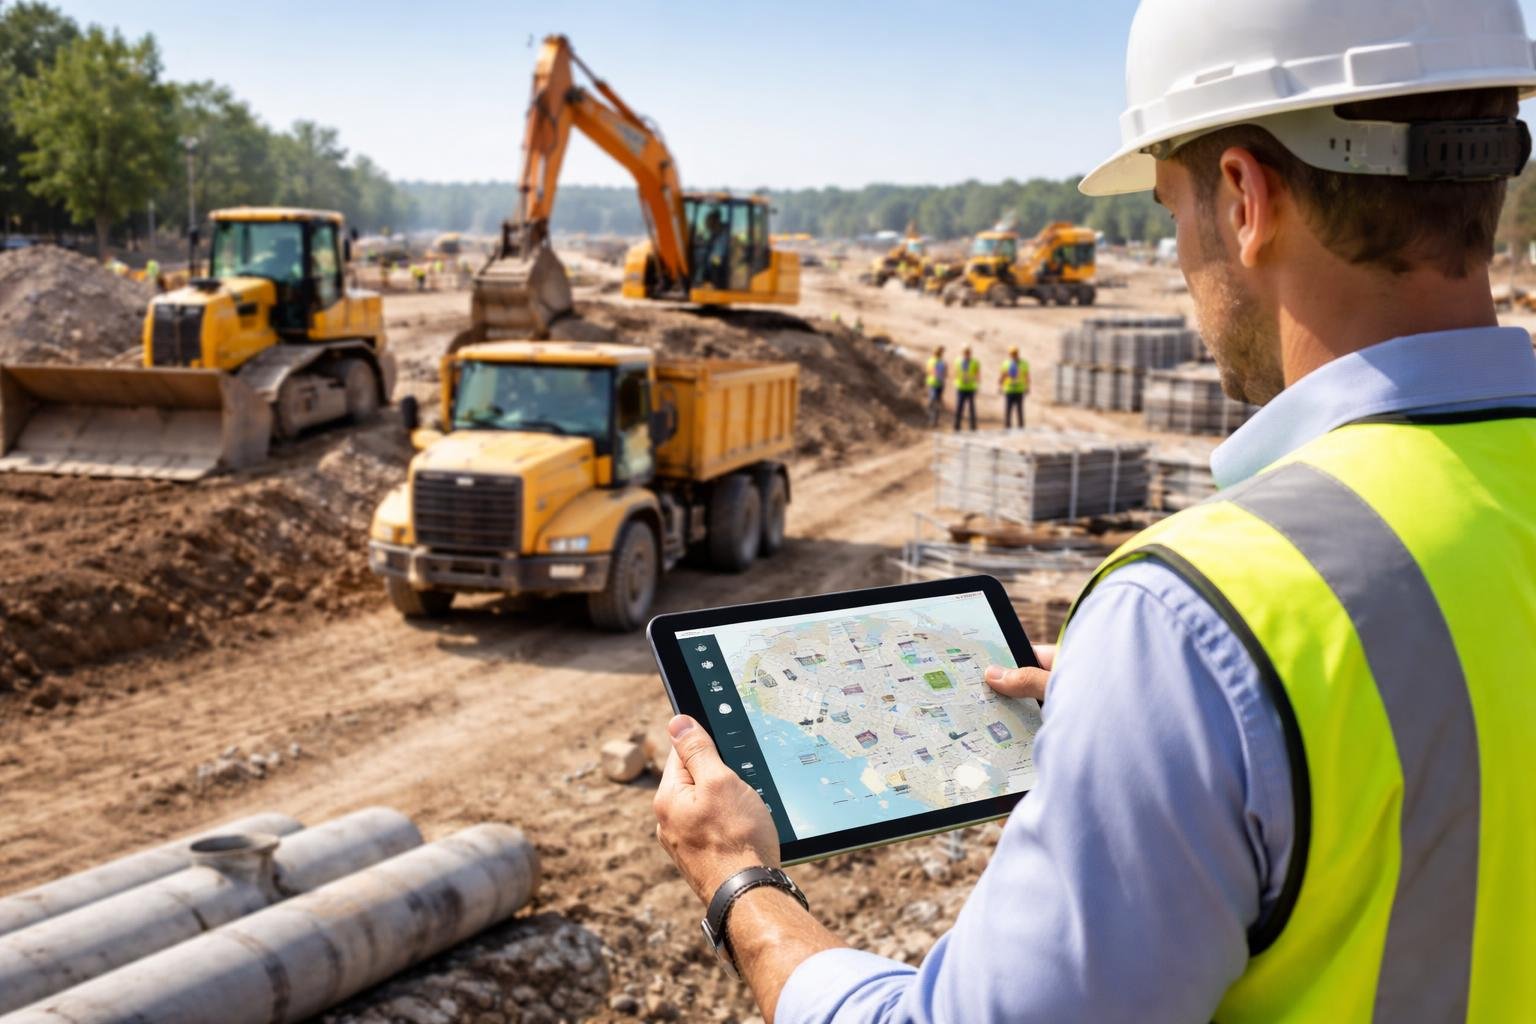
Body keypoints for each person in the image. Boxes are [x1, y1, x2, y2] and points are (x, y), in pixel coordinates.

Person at [652, 1, 1536, 1021]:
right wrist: (1181, 723)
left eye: (1170, 209)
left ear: (1245, 198)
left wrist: (740, 882)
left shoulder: (1203, 615)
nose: (1182, 259)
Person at [999, 345, 1029, 429]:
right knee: (1008, 410)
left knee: (1019, 410)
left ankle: (1021, 427)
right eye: (1012, 354)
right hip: (1009, 389)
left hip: (1019, 389)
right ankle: (1007, 427)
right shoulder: (1006, 364)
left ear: (1018, 353)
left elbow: (1026, 376)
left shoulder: (1023, 364)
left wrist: (1027, 386)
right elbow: (1002, 376)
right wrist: (1000, 385)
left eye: (1015, 353)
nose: (1014, 355)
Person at [952, 346, 979, 431]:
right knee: (959, 407)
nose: (967, 354)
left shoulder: (974, 362)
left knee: (971, 408)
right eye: (965, 352)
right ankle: (957, 425)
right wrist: (955, 382)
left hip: (970, 387)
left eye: (968, 352)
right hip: (961, 387)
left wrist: (977, 385)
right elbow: (955, 373)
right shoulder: (958, 361)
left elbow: (977, 374)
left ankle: (972, 426)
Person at [924, 345, 947, 427]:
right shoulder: (932, 361)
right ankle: (931, 418)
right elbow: (928, 371)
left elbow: (944, 373)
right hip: (933, 384)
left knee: (936, 402)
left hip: (939, 384)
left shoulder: (942, 362)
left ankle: (934, 420)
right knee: (933, 400)